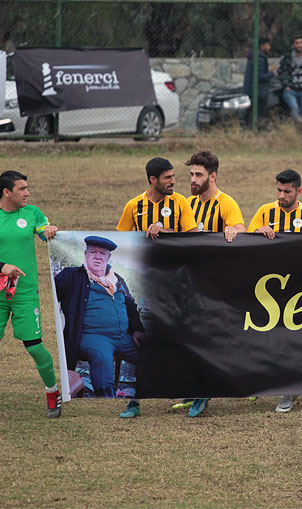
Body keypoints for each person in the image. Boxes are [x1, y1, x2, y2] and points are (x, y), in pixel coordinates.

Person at [0, 170, 61, 422]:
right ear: (6, 192)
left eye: (27, 188)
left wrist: (49, 229)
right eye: (22, 189)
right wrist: (1, 267)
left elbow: (44, 232)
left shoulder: (32, 214)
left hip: (25, 294)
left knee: (35, 347)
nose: (27, 193)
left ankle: (53, 393)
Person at [116, 157, 197, 417]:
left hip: (175, 285)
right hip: (146, 286)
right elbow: (121, 242)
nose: (174, 181)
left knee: (183, 340)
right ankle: (134, 401)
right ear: (153, 180)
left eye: (173, 176)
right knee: (144, 341)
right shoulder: (134, 206)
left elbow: (194, 238)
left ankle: (197, 393)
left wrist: (167, 232)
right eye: (168, 178)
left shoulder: (180, 203)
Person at [248, 169, 302, 413]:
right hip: (270, 290)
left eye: (287, 191)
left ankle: (288, 389)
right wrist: (257, 233)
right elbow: (245, 242)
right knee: (273, 338)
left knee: (295, 339)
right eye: (279, 191)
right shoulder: (264, 212)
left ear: (299, 191)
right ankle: (284, 385)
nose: (281, 196)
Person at [184, 150, 246, 418]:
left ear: (213, 176)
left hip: (216, 284)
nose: (193, 180)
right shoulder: (188, 204)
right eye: (191, 175)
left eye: (198, 175)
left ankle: (204, 391)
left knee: (211, 336)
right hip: (189, 282)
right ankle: (194, 385)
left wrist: (234, 230)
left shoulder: (226, 203)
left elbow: (242, 229)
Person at [54, 236, 144, 399]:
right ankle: (107, 402)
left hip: (124, 337)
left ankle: (150, 396)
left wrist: (137, 329)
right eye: (93, 252)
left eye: (102, 253)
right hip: (92, 336)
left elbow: (131, 306)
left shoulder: (117, 280)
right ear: (85, 254)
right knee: (102, 357)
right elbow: (51, 292)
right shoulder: (71, 276)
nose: (97, 256)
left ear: (108, 257)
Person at [278, 35, 302, 124]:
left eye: (301, 42)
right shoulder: (287, 58)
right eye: (297, 43)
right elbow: (282, 72)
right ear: (292, 46)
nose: (299, 45)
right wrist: (286, 85)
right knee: (295, 108)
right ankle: (299, 125)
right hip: (291, 90)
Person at [243, 37, 277, 126]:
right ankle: (255, 129)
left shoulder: (255, 57)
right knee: (258, 113)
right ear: (262, 46)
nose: (269, 48)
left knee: (252, 112)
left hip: (253, 90)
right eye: (268, 45)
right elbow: (260, 77)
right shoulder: (260, 59)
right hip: (258, 91)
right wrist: (273, 73)